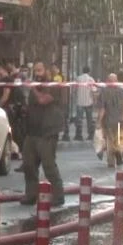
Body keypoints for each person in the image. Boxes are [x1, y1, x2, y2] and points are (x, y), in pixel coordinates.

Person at [21, 62, 65, 206]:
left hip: (47, 131)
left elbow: (43, 100)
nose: (37, 73)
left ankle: (58, 196)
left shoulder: (53, 85)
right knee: (29, 165)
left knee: (49, 165)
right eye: (35, 71)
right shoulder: (36, 86)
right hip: (32, 131)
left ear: (46, 71)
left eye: (40, 70)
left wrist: (32, 88)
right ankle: (31, 194)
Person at [98, 73, 123, 167]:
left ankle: (111, 161)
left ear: (108, 81)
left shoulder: (104, 91)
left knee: (110, 141)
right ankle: (119, 157)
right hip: (121, 120)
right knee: (120, 140)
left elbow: (102, 108)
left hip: (109, 121)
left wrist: (99, 121)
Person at [72, 66, 96, 142]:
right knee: (89, 119)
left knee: (79, 119)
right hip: (89, 101)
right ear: (89, 72)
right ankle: (90, 135)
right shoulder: (91, 79)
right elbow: (94, 90)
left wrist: (76, 96)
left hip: (80, 101)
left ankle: (78, 135)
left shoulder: (78, 79)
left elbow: (74, 90)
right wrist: (94, 100)